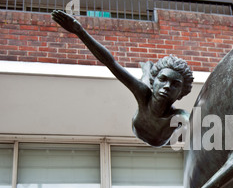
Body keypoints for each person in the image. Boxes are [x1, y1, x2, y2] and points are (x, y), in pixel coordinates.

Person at [51, 10, 193, 147]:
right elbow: (110, 63)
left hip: (159, 138)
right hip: (144, 107)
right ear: (154, 80)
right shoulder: (144, 94)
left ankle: (148, 69)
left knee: (145, 83)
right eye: (163, 79)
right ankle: (147, 69)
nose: (167, 86)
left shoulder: (179, 115)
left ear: (181, 93)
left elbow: (193, 123)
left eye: (175, 84)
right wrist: (80, 31)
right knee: (143, 83)